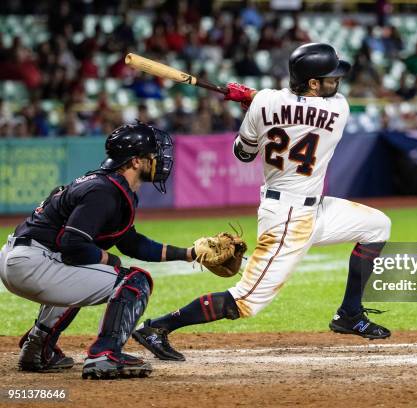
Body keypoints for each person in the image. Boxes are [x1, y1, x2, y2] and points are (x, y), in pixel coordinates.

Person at [133, 43, 392, 362]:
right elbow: (295, 109)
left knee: (378, 226)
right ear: (313, 84)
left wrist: (254, 105)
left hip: (311, 209)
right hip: (288, 220)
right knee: (246, 301)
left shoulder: (265, 102)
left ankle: (349, 315)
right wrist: (254, 100)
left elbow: (243, 154)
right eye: (330, 77)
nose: (336, 82)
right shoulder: (338, 108)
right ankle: (157, 327)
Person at [0, 123, 198, 379]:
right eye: (153, 156)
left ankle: (38, 349)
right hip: (32, 263)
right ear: (136, 162)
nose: (160, 161)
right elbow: (73, 244)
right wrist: (109, 259)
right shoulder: (104, 191)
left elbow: (132, 243)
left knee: (83, 270)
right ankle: (105, 355)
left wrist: (189, 254)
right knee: (135, 282)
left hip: (22, 258)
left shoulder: (108, 186)